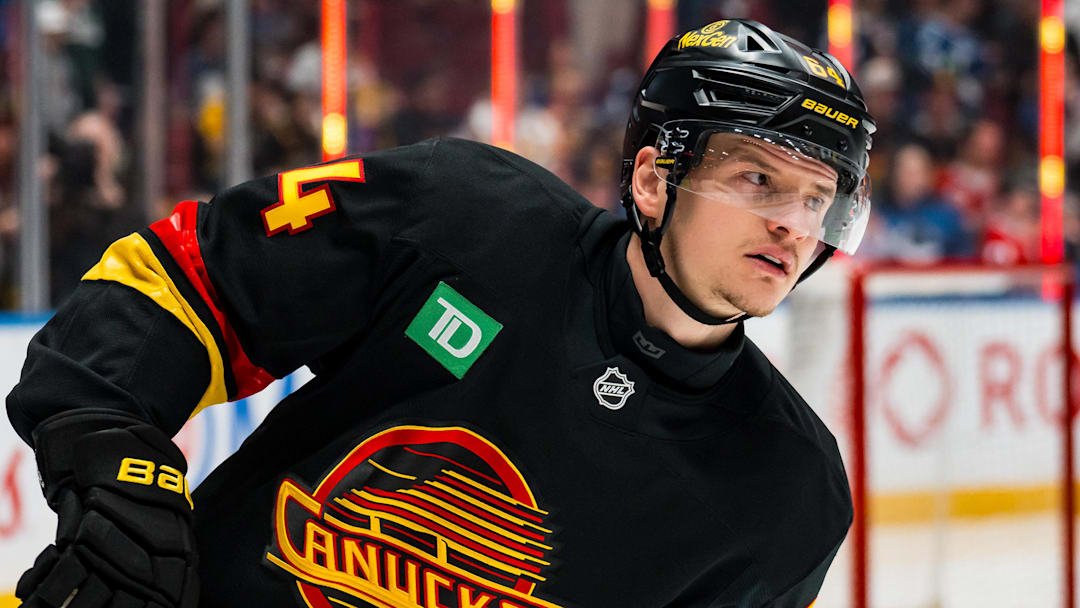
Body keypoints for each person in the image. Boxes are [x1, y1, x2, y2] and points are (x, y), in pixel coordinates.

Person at [7, 19, 875, 608]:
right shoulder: (463, 218)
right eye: (758, 178)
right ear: (653, 179)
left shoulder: (786, 493)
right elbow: (191, 278)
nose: (792, 225)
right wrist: (119, 466)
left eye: (816, 199)